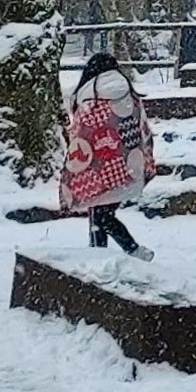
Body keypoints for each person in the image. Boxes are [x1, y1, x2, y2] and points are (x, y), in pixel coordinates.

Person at [59, 50, 156, 256]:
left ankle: (129, 250)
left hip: (99, 166)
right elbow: (142, 128)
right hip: (129, 163)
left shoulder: (89, 97)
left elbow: (82, 134)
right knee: (101, 212)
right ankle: (101, 252)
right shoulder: (130, 94)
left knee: (100, 213)